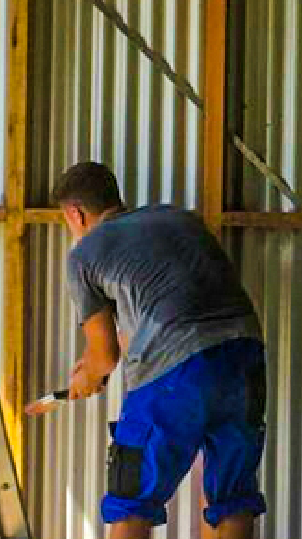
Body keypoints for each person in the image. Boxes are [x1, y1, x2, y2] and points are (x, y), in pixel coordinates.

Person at [27, 161, 267, 539]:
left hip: (176, 370)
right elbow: (144, 322)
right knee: (232, 498)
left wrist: (88, 376)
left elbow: (105, 356)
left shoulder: (85, 254)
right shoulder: (177, 218)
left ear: (75, 213)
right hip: (244, 356)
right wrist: (92, 368)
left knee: (131, 503)